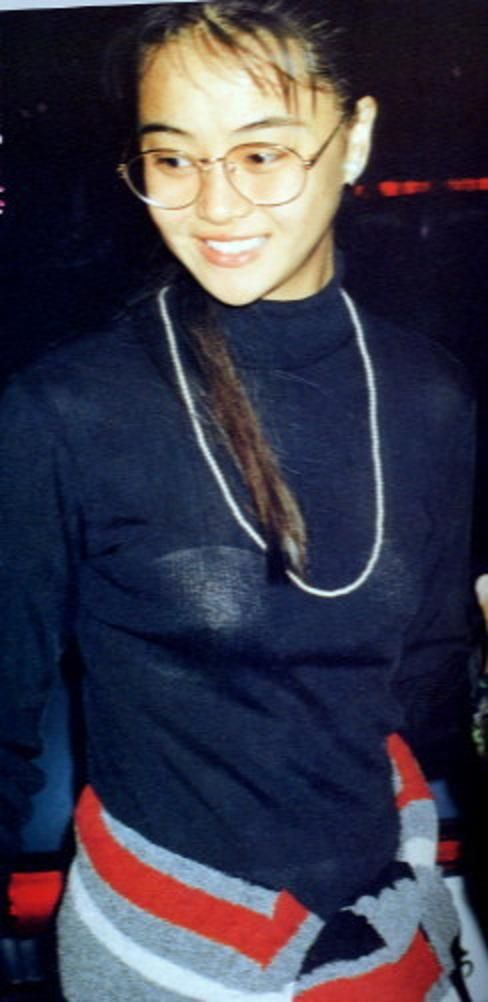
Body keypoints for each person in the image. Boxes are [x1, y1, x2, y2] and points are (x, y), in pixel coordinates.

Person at [0, 2, 476, 999]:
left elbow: (429, 696)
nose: (214, 205)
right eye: (172, 160)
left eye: (261, 155)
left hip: (390, 930)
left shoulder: (431, 397)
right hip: (163, 947)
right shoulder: (66, 411)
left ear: (355, 140)